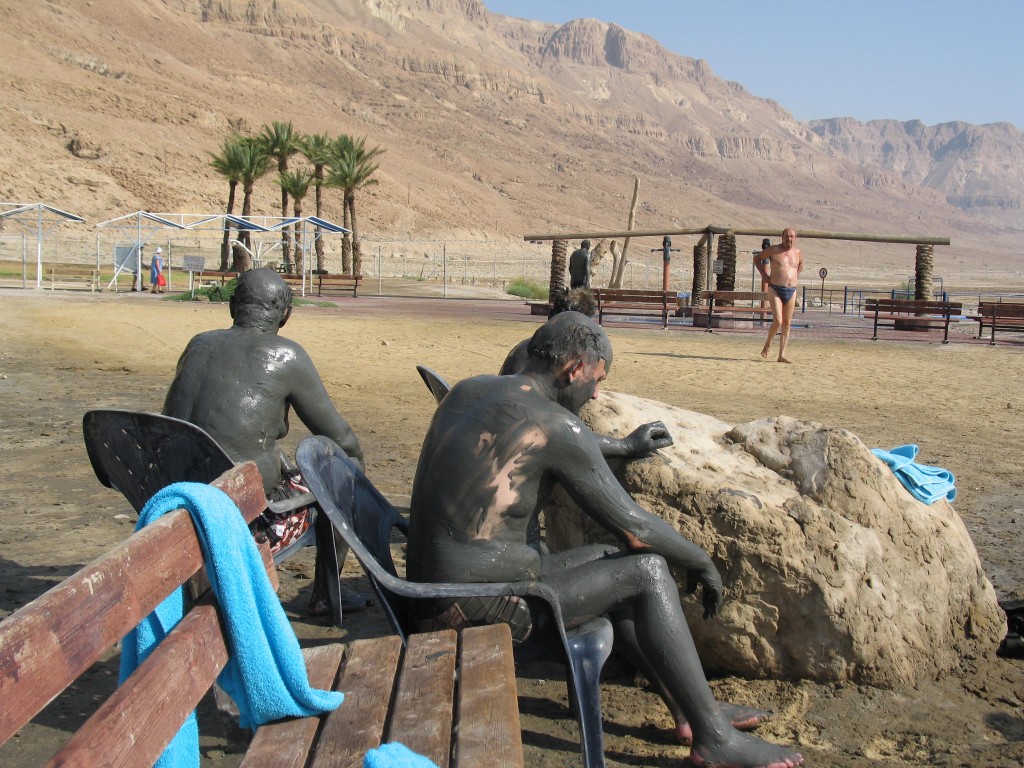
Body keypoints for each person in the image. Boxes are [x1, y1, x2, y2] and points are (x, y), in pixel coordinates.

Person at [406, 312, 803, 768]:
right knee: (648, 570)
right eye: (597, 379)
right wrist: (700, 562)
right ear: (574, 368)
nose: (596, 392)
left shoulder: (469, 389)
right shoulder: (556, 423)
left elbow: (537, 437)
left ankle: (694, 711)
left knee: (610, 561)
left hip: (428, 592)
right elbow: (636, 528)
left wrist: (625, 445)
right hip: (476, 610)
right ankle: (715, 741)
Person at [163, 268, 368, 616]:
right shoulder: (286, 355)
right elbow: (339, 437)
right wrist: (359, 468)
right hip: (239, 512)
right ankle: (325, 594)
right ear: (285, 314)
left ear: (232, 307)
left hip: (175, 501)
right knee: (342, 473)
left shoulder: (197, 345)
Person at [754, 228, 803, 363]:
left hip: (791, 290)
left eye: (792, 236)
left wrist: (795, 277)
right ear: (782, 237)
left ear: (795, 237)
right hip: (775, 289)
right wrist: (764, 275)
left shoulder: (797, 253)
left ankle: (781, 354)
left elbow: (801, 264)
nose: (789, 239)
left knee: (787, 323)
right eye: (787, 236)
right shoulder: (773, 250)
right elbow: (757, 258)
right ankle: (768, 343)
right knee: (778, 320)